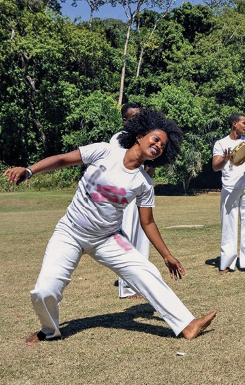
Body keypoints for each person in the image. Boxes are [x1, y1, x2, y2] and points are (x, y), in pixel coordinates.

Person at [4, 110, 216, 345]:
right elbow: (63, 159)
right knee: (45, 290)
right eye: (155, 139)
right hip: (71, 231)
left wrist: (166, 255)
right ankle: (49, 330)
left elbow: (147, 222)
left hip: (108, 238)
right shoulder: (105, 151)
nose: (158, 146)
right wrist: (29, 170)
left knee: (145, 272)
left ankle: (186, 325)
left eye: (163, 146)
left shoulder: (144, 183)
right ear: (140, 136)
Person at [111, 102, 153, 299]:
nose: (138, 119)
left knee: (143, 238)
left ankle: (141, 284)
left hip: (141, 191)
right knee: (126, 238)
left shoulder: (145, 139)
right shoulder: (118, 139)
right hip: (124, 194)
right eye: (134, 117)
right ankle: (126, 287)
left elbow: (149, 170)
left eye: (140, 116)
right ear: (125, 120)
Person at [212, 113, 245, 274]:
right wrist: (226, 159)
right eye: (244, 123)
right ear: (234, 124)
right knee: (228, 226)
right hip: (229, 188)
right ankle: (226, 263)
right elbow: (215, 166)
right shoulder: (221, 143)